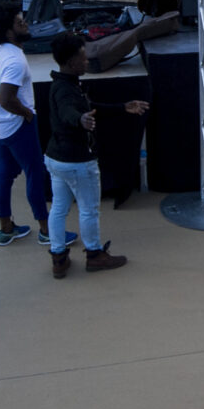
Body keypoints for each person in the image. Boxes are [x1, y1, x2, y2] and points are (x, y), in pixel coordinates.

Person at [45, 32, 140, 277]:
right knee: (88, 210)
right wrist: (80, 120)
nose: (87, 62)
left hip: (57, 159)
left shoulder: (64, 84)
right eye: (82, 58)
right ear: (69, 62)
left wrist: (122, 108)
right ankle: (95, 255)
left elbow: (87, 110)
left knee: (58, 208)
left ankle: (58, 258)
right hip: (77, 162)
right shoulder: (66, 91)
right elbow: (68, 112)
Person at [0, 2, 55, 247]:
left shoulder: (2, 51)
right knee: (35, 173)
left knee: (6, 173)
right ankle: (47, 231)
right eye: (18, 22)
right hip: (16, 125)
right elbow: (5, 98)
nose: (24, 23)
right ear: (7, 30)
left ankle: (5, 229)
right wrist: (27, 114)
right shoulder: (15, 61)